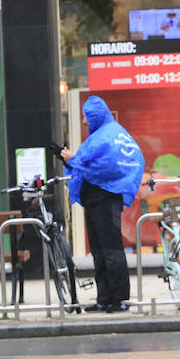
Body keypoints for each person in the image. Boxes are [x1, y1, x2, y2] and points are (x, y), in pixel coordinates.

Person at [61, 96, 145, 313]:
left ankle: (118, 299)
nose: (84, 121)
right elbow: (92, 164)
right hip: (96, 201)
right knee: (100, 251)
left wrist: (73, 159)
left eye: (87, 116)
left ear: (96, 116)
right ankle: (105, 298)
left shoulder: (106, 136)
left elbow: (103, 166)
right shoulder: (107, 135)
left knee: (110, 250)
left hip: (105, 201)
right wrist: (73, 160)